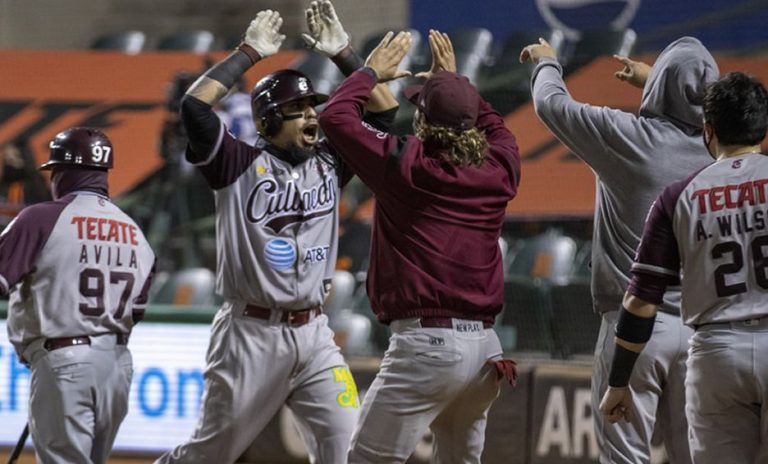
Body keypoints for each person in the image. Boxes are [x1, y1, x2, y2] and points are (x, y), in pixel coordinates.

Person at [156, 6, 398, 463]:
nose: (311, 115)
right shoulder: (237, 164)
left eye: (313, 106)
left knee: (349, 447)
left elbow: (385, 114)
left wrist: (344, 54)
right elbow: (193, 106)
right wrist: (248, 53)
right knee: (210, 455)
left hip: (315, 335)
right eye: (297, 109)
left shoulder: (332, 159)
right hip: (250, 334)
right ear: (267, 121)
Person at [319, 30, 521, 463]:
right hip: (486, 349)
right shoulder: (500, 167)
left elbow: (336, 117)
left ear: (424, 121)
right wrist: (458, 85)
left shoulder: (406, 164)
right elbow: (496, 127)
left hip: (428, 345)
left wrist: (370, 71)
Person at [519, 37, 719, 463]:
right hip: (703, 331)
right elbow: (716, 103)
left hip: (636, 329)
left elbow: (552, 105)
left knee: (625, 457)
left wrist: (546, 63)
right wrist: (664, 86)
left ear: (661, 86)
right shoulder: (722, 154)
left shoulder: (626, 136)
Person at [599, 72, 768, 463]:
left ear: (707, 130)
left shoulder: (679, 196)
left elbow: (640, 301)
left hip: (717, 352)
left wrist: (620, 380)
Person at [1, 127, 156, 463]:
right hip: (116, 366)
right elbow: (137, 311)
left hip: (64, 359)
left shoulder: (41, 218)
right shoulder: (135, 231)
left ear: (65, 172)